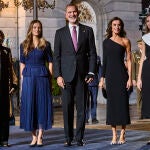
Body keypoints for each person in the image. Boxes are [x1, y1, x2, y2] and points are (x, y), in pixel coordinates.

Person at [53, 3, 97, 147]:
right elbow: (57, 57)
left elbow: (92, 53)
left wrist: (91, 72)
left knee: (82, 109)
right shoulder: (59, 33)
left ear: (78, 13)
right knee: (67, 108)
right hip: (65, 77)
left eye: (74, 12)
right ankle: (68, 138)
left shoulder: (88, 30)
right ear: (66, 15)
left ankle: (79, 138)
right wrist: (58, 75)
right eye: (69, 12)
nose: (72, 14)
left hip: (83, 76)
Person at [20, 20, 53, 147]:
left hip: (42, 78)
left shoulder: (46, 44)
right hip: (28, 78)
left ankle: (40, 136)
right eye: (35, 27)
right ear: (31, 28)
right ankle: (33, 136)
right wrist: (23, 82)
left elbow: (50, 62)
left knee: (42, 106)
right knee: (30, 106)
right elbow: (22, 64)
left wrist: (50, 79)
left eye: (39, 27)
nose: (37, 29)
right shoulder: (24, 45)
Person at [99, 17, 132, 145]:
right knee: (111, 106)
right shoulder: (106, 42)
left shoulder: (125, 41)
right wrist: (102, 79)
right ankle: (114, 134)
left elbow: (129, 60)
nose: (117, 27)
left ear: (121, 27)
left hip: (122, 76)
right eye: (114, 25)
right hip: (111, 77)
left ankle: (123, 133)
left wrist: (129, 77)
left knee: (123, 105)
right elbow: (105, 62)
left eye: (119, 25)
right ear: (111, 27)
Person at [0, 30, 17, 146]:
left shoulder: (7, 51)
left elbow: (11, 69)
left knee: (4, 115)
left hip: (4, 87)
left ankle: (4, 140)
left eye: (0, 36)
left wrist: (14, 84)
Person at [137, 14, 150, 145]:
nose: (149, 23)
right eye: (147, 21)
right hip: (147, 71)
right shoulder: (145, 38)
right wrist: (139, 77)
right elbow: (142, 58)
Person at [86, 56, 101, 124]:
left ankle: (94, 118)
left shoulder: (97, 58)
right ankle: (86, 118)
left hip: (94, 82)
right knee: (86, 102)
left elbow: (99, 70)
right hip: (85, 83)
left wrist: (101, 80)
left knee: (94, 101)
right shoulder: (83, 56)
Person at [131, 39, 143, 119]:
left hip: (146, 77)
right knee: (139, 95)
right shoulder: (135, 54)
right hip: (139, 78)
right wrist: (133, 79)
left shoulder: (147, 53)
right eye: (140, 44)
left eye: (142, 44)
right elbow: (133, 67)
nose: (141, 45)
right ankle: (140, 112)